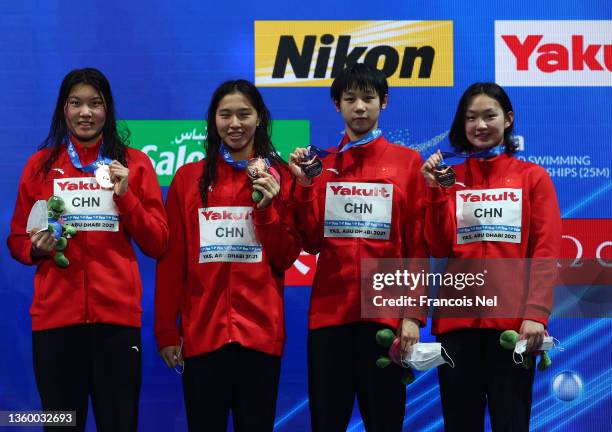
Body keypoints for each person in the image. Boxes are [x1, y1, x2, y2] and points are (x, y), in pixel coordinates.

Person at [7, 67, 169, 431]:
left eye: (95, 104)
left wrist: (126, 198)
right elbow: (17, 239)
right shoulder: (40, 166)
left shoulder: (133, 164)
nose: (85, 112)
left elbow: (158, 242)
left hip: (117, 325)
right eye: (76, 103)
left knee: (119, 423)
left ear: (107, 109)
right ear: (63, 109)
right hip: (55, 325)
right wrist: (37, 249)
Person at [154, 79, 301, 432]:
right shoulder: (189, 179)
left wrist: (267, 211)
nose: (234, 124)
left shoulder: (280, 178)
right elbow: (173, 260)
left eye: (243, 114)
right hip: (203, 336)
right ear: (214, 120)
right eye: (225, 115)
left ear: (260, 119)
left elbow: (285, 257)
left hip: (261, 337)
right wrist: (165, 331)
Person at [288, 63, 428, 431]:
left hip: (385, 320)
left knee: (385, 421)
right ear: (337, 104)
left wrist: (412, 315)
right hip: (330, 318)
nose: (360, 107)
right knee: (327, 421)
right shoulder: (323, 165)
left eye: (368, 98)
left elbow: (417, 244)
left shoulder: (407, 163)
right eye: (350, 99)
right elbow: (311, 241)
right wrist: (304, 188)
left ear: (384, 101)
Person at [421, 82, 561, 431]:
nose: (480, 125)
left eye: (489, 116)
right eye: (471, 118)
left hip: (512, 327)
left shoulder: (533, 178)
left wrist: (536, 315)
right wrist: (437, 194)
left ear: (508, 119)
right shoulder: (449, 179)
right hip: (456, 326)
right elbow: (438, 246)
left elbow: (544, 251)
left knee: (511, 423)